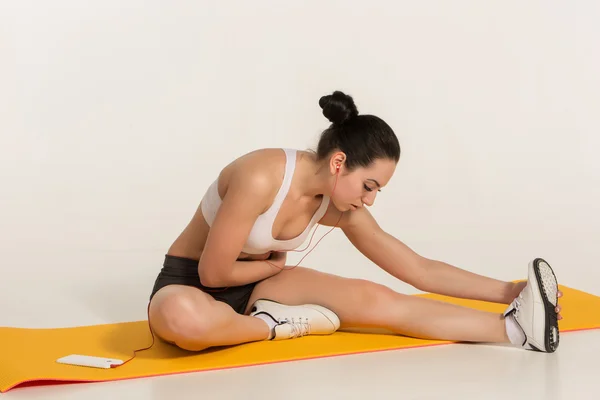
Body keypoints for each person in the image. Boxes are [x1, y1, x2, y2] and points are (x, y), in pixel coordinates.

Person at [147, 90, 563, 354]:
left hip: (257, 286)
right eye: (369, 185)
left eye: (377, 190)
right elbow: (214, 272)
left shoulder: (338, 206)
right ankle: (272, 327)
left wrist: (515, 290)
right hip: (189, 285)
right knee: (185, 319)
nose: (370, 199)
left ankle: (513, 330)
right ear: (339, 162)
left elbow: (417, 269)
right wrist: (274, 266)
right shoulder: (261, 176)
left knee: (377, 299)